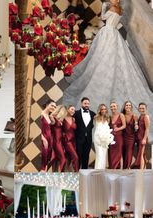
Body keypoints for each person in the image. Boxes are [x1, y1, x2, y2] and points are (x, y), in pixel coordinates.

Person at [63, 0, 153, 139]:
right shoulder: (120, 10)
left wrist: (105, 7)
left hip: (108, 33)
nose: (112, 0)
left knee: (103, 55)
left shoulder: (112, 8)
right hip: (114, 34)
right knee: (110, 57)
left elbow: (103, 18)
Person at [74, 98, 95, 169]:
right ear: (81, 103)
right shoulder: (76, 113)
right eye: (85, 103)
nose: (86, 105)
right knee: (78, 156)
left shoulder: (93, 114)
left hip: (88, 139)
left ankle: (85, 172)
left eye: (88, 103)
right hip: (78, 139)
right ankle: (77, 172)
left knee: (86, 157)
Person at [93, 104, 114, 169]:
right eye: (102, 109)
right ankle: (97, 170)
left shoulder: (108, 118)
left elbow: (108, 129)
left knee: (103, 155)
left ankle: (102, 170)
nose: (103, 110)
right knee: (99, 154)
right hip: (97, 138)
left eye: (105, 109)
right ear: (100, 110)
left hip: (105, 139)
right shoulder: (96, 117)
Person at [108, 101, 126, 169]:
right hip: (111, 138)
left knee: (119, 154)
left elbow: (124, 125)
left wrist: (118, 129)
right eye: (111, 107)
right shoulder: (110, 116)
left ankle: (119, 169)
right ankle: (112, 168)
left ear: (117, 107)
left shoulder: (121, 115)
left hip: (119, 137)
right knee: (112, 154)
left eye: (114, 106)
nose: (113, 108)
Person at [40, 100, 56, 172]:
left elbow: (50, 128)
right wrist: (43, 138)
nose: (53, 107)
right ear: (47, 105)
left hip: (50, 140)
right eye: (52, 105)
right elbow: (38, 127)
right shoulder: (41, 113)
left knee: (47, 160)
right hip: (44, 139)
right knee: (44, 160)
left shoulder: (49, 116)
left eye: (55, 107)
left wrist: (53, 121)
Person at [50, 105, 67, 172]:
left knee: (54, 159)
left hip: (60, 142)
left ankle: (44, 170)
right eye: (64, 113)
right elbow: (51, 117)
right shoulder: (54, 119)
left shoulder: (60, 121)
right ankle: (60, 174)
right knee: (63, 159)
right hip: (57, 142)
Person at [122, 101, 138, 169]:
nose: (128, 106)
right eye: (126, 105)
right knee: (124, 152)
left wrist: (136, 127)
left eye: (129, 105)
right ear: (124, 107)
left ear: (131, 107)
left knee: (129, 152)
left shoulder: (134, 116)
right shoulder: (122, 115)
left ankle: (127, 167)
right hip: (123, 136)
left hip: (131, 137)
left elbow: (136, 126)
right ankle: (123, 167)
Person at [135, 102, 150, 169]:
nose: (142, 109)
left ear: (146, 108)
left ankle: (141, 171)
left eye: (143, 108)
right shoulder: (141, 116)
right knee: (143, 154)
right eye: (140, 108)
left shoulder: (146, 117)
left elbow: (147, 129)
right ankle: (145, 168)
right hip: (139, 138)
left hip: (143, 138)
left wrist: (144, 139)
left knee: (141, 154)